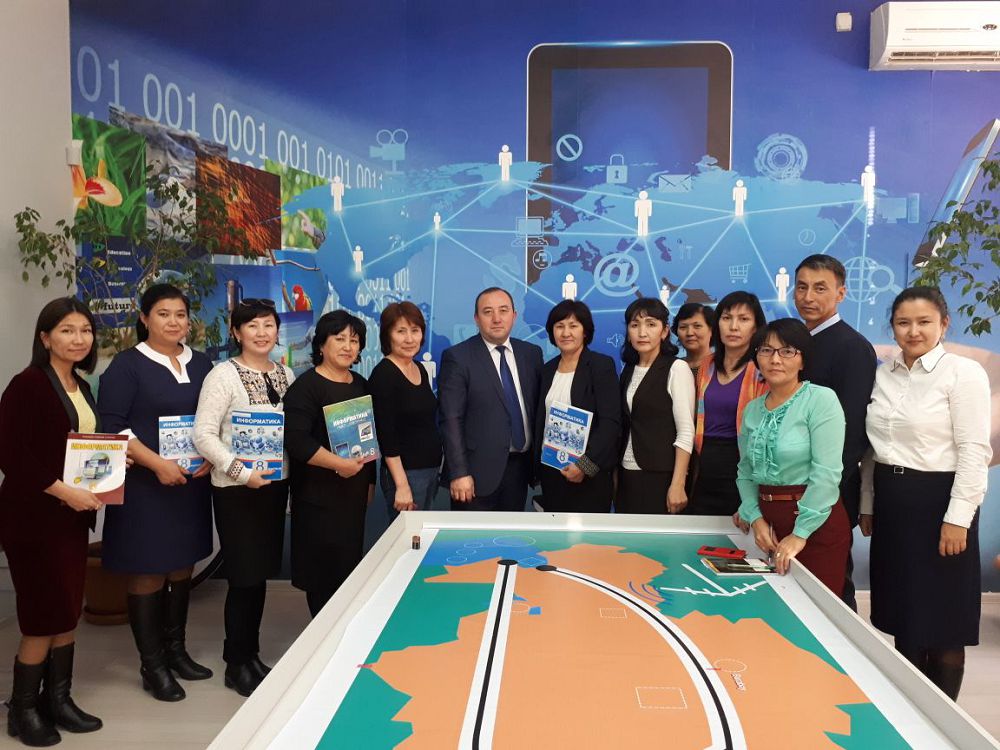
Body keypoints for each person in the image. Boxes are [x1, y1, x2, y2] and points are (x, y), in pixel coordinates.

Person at [859, 287, 991, 700]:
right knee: (906, 615)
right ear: (893, 327)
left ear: (943, 324)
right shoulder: (884, 373)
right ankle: (911, 709)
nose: (913, 331)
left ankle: (943, 718)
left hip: (940, 505)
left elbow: (974, 451)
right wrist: (868, 503)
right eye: (903, 322)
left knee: (945, 623)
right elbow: (872, 448)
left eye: (924, 322)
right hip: (893, 504)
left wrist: (958, 519)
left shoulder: (963, 373)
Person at [98, 284, 214, 702]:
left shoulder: (202, 363)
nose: (174, 322)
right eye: (163, 314)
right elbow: (114, 426)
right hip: (146, 486)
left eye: (180, 314)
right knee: (148, 569)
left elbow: (214, 417)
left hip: (190, 483)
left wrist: (211, 454)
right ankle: (153, 666)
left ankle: (176, 652)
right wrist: (157, 464)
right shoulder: (126, 366)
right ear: (145, 318)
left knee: (182, 565)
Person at [0, 298, 103, 745]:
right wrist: (65, 491)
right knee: (42, 615)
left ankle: (57, 700)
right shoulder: (26, 385)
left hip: (70, 519)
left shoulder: (81, 385)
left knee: (66, 609)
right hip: (33, 519)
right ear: (45, 338)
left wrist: (109, 469)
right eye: (66, 330)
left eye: (85, 330)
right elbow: (11, 454)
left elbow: (83, 447)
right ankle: (22, 709)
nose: (78, 339)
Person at [193, 298, 294, 697]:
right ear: (236, 332)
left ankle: (250, 655)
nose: (262, 332)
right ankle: (236, 663)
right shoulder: (222, 375)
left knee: (259, 576)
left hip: (274, 488)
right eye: (252, 325)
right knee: (242, 578)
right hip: (237, 491)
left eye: (268, 325)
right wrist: (241, 472)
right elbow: (204, 435)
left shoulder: (286, 373)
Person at [736, 319, 850, 594]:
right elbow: (745, 472)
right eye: (766, 350)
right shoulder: (752, 409)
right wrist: (755, 518)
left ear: (803, 359)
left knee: (817, 608)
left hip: (815, 522)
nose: (775, 359)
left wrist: (800, 534)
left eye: (787, 351)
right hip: (768, 524)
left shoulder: (821, 400)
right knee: (771, 606)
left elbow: (827, 473)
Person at [794, 254, 877, 610]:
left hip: (829, 488)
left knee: (832, 586)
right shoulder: (796, 342)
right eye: (802, 287)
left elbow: (852, 428)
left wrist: (821, 486)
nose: (808, 297)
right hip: (790, 485)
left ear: (841, 293)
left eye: (820, 288)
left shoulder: (852, 347)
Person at [284, 310, 376, 617]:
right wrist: (338, 463)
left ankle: (342, 628)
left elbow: (369, 436)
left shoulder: (361, 384)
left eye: (354, 340)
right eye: (339, 339)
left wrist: (370, 481)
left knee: (347, 567)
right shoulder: (306, 387)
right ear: (321, 344)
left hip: (353, 494)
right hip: (317, 497)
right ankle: (322, 633)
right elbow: (296, 441)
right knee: (321, 574)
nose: (348, 346)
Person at [438, 287, 542, 511]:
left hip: (519, 471)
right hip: (474, 475)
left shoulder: (531, 354)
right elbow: (451, 419)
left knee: (511, 533)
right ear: (476, 318)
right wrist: (459, 472)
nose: (496, 318)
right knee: (472, 535)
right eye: (488, 312)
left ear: (514, 315)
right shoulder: (458, 357)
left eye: (503, 310)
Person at [534, 300, 620, 513]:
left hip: (590, 476)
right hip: (552, 472)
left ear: (585, 331)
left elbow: (610, 424)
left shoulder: (601, 366)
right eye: (559, 326)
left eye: (573, 326)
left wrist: (585, 466)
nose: (566, 333)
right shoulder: (547, 370)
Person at [688, 292, 768, 517]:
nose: (733, 327)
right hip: (703, 465)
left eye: (743, 319)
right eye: (726, 318)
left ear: (756, 327)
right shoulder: (706, 365)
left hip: (743, 465)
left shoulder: (762, 369)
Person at [617, 298, 695, 514]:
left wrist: (678, 483)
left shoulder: (677, 368)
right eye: (635, 325)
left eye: (651, 324)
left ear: (664, 331)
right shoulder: (628, 370)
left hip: (660, 475)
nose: (642, 332)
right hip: (626, 473)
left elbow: (686, 431)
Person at [368, 302, 442, 521]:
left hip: (430, 469)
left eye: (415, 330)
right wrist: (401, 485)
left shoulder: (419, 368)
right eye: (401, 331)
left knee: (422, 534)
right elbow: (386, 436)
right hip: (406, 475)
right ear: (387, 336)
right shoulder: (383, 375)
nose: (409, 339)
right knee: (409, 537)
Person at [671, 303, 715, 380]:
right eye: (683, 327)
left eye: (697, 326)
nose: (689, 333)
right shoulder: (673, 367)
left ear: (711, 330)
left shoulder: (723, 365)